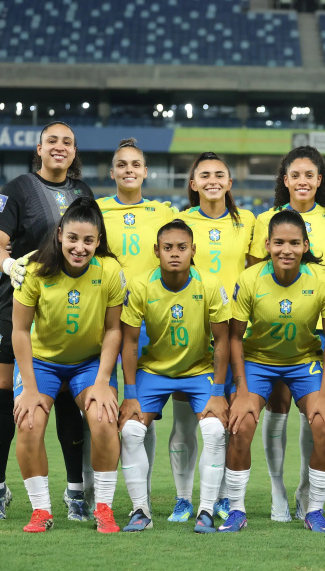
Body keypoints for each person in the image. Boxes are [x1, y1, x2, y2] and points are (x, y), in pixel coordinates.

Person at [0, 121, 95, 521]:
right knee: (3, 392)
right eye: (53, 141)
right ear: (40, 148)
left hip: (68, 306)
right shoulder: (16, 190)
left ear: (74, 150)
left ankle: (74, 493)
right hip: (17, 301)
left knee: (65, 393)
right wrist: (10, 264)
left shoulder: (83, 193)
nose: (60, 147)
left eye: (67, 141)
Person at [219, 210, 325, 533]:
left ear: (305, 245)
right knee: (240, 426)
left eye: (294, 243)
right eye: (279, 243)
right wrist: (241, 390)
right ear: (268, 245)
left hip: (304, 362)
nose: (286, 250)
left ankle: (314, 509)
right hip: (258, 361)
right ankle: (236, 509)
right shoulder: (250, 279)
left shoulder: (321, 279)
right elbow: (233, 337)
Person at [11, 198, 125, 533]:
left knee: (104, 419)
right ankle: (41, 510)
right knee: (29, 423)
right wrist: (30, 388)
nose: (79, 247)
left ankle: (103, 507)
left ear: (98, 241)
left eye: (88, 240)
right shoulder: (34, 270)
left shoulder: (110, 272)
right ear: (60, 235)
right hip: (42, 363)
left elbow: (114, 330)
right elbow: (18, 331)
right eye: (73, 238)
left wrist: (103, 380)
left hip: (88, 363)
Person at [248, 146, 325, 522]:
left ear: (319, 180)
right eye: (296, 175)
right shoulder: (265, 220)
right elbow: (258, 271)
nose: (303, 181)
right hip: (275, 331)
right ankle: (277, 490)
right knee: (277, 407)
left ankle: (308, 491)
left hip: (323, 329)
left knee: (318, 412)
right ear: (285, 180)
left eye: (310, 174)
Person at [118, 220, 231, 533]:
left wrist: (219, 391)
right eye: (168, 248)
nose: (175, 254)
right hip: (154, 370)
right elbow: (128, 342)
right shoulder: (140, 286)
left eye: (182, 247)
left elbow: (222, 340)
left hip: (199, 371)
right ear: (157, 251)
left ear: (193, 250)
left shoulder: (209, 285)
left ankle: (206, 511)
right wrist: (129, 394)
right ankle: (141, 510)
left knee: (213, 430)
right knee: (129, 431)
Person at [166, 152, 255, 523]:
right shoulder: (181, 221)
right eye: (204, 174)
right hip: (190, 331)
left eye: (220, 174)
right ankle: (183, 498)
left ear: (230, 183)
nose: (213, 179)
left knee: (228, 420)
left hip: (235, 333)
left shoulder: (247, 221)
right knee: (185, 422)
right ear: (193, 184)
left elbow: (256, 270)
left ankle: (220, 496)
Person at [98, 136, 176, 510]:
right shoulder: (96, 210)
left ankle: (139, 497)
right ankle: (93, 494)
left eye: (135, 165)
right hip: (104, 321)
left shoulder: (162, 212)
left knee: (143, 411)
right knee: (98, 409)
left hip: (149, 324)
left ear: (145, 172)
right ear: (112, 172)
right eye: (122, 165)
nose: (129, 170)